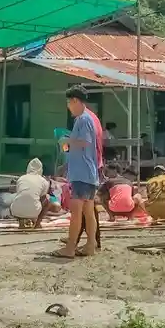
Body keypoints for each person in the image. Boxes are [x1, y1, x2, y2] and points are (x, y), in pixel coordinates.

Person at [55, 85, 102, 259]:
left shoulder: (82, 119)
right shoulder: (89, 118)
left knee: (76, 213)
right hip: (89, 173)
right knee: (89, 213)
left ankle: (70, 248)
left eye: (69, 102)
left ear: (75, 101)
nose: (68, 107)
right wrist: (68, 145)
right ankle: (90, 245)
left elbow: (83, 142)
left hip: (81, 173)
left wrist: (65, 140)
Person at [11, 158, 54, 228]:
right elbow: (42, 198)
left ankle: (21, 224)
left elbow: (19, 193)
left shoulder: (21, 178)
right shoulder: (43, 181)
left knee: (19, 198)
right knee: (47, 200)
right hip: (34, 212)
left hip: (16, 211)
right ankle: (37, 224)